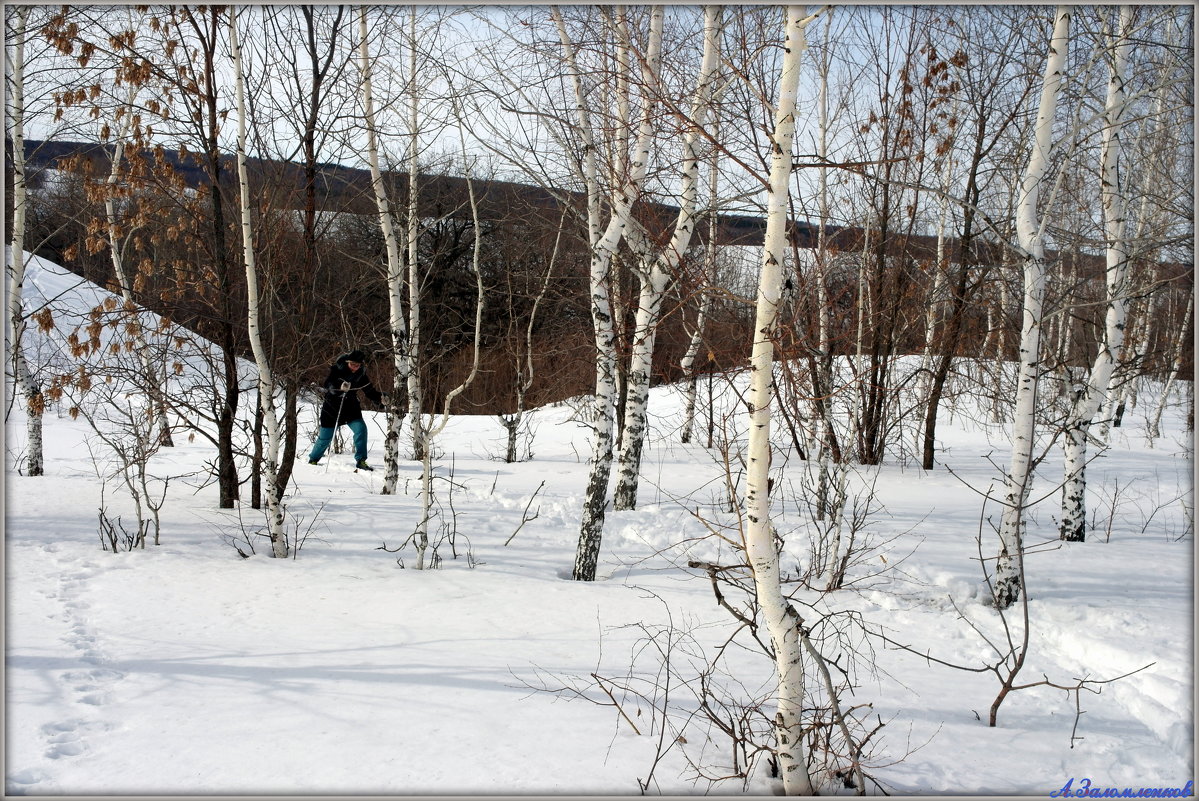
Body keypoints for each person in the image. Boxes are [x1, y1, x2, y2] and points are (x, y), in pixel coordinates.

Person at [307, 350, 385, 471]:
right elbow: (327, 384)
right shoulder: (337, 369)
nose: (355, 367)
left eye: (358, 365)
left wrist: (380, 398)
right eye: (353, 364)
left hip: (351, 408)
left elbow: (369, 390)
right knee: (325, 438)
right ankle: (313, 459)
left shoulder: (361, 374)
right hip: (332, 408)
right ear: (348, 362)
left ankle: (361, 460)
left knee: (361, 430)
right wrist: (339, 386)